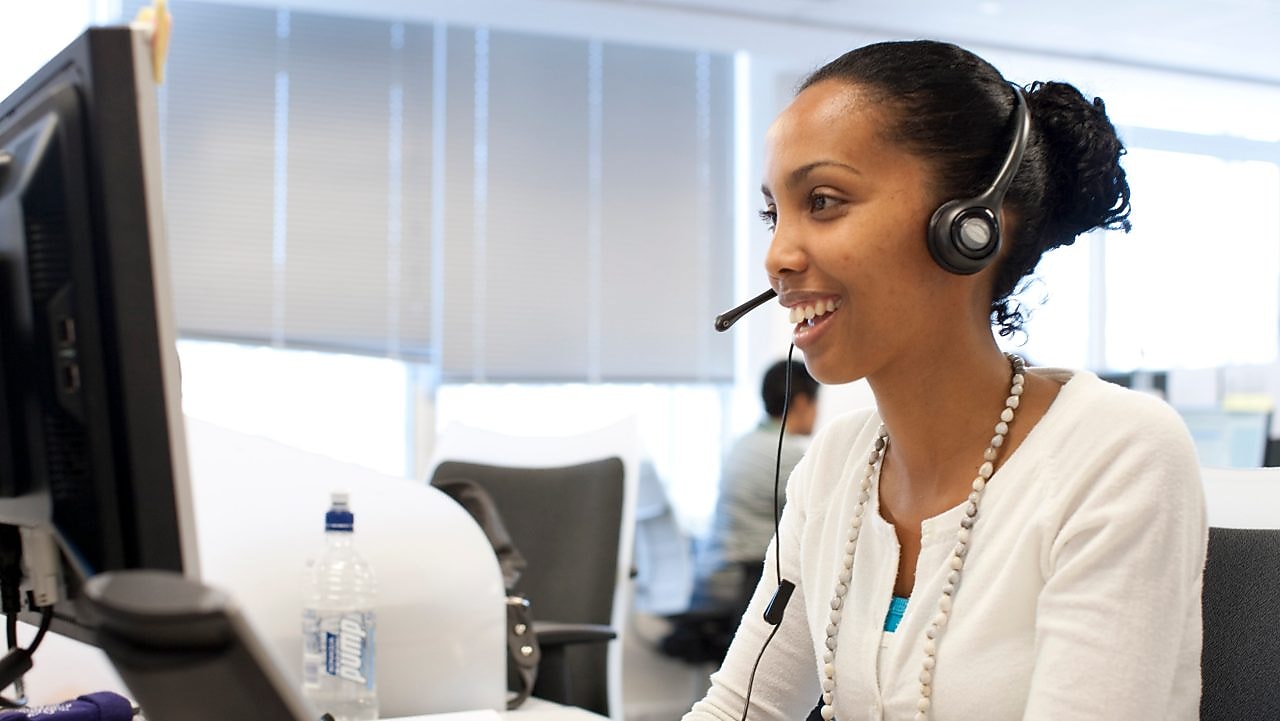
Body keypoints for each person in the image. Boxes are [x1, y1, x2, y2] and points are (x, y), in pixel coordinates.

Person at [685, 40, 1206, 721]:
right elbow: (740, 711)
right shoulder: (837, 464)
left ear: (970, 227)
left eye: (824, 200)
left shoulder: (1115, 452)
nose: (778, 256)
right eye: (772, 215)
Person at [661, 359, 819, 663]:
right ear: (801, 402)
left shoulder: (743, 444)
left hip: (714, 578)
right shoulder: (787, 455)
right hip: (740, 583)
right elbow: (822, 521)